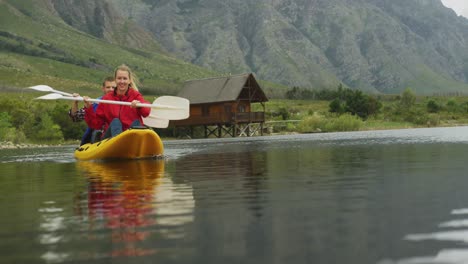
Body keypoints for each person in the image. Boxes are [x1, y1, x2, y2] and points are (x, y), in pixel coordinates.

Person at [84, 64, 151, 140]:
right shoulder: (107, 98)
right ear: (115, 80)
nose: (122, 81)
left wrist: (140, 106)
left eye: (125, 78)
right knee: (116, 122)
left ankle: (127, 143)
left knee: (137, 123)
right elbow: (96, 125)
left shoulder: (135, 95)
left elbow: (146, 112)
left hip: (129, 137)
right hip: (110, 138)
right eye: (119, 78)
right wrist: (89, 108)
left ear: (129, 81)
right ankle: (119, 141)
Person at [69, 77, 116, 145]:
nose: (111, 89)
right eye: (108, 87)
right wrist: (75, 102)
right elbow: (75, 117)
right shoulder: (95, 103)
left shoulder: (123, 102)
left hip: (115, 133)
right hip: (98, 136)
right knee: (97, 132)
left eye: (113, 87)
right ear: (103, 89)